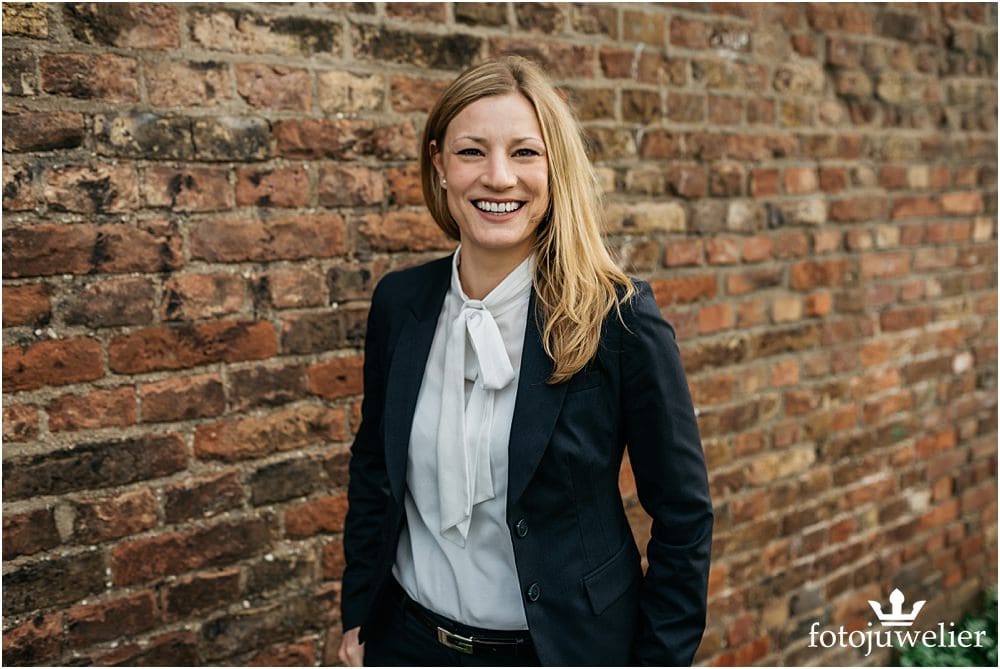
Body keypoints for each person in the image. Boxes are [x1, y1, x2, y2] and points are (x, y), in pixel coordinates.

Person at [338, 55, 712, 667]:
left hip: (557, 652)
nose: (498, 177)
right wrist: (358, 613)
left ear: (554, 167)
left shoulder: (618, 319)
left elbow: (683, 515)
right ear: (439, 164)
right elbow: (374, 468)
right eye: (471, 152)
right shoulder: (399, 304)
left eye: (524, 153)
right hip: (406, 641)